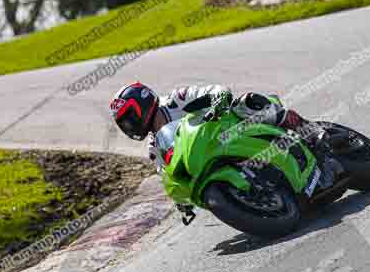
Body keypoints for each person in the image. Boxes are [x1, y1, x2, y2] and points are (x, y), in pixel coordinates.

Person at [109, 82, 340, 192]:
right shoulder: (154, 148)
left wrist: (218, 101)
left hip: (232, 128)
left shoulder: (177, 100)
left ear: (143, 103)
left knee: (248, 102)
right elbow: (170, 176)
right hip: (212, 157)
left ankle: (311, 132)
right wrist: (181, 199)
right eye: (123, 124)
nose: (129, 126)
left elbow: (215, 90)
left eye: (129, 118)